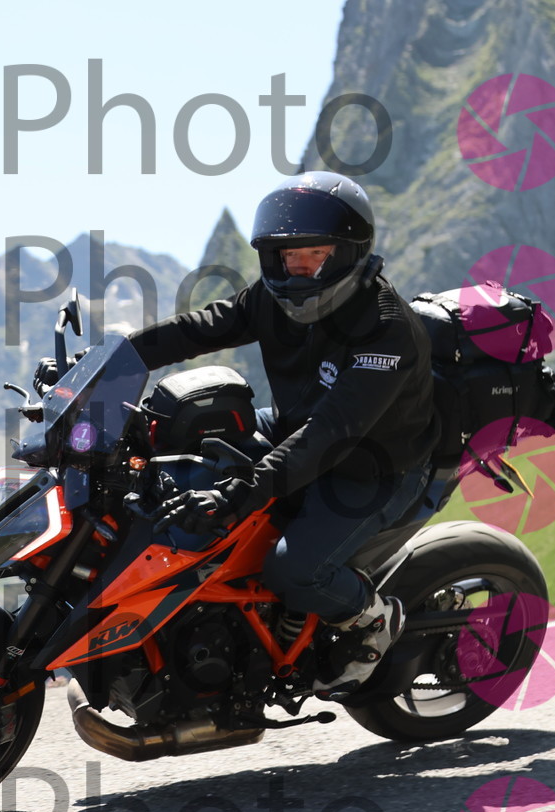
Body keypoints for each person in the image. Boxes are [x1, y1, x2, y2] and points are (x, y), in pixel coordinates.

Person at [129, 171, 438, 694]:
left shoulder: (387, 330)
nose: (298, 267)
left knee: (293, 570)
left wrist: (241, 492)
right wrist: (117, 356)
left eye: (314, 254)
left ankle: (371, 618)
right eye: (288, 255)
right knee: (182, 437)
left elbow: (331, 433)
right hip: (298, 425)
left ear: (347, 253)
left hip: (371, 467)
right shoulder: (272, 298)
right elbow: (203, 327)